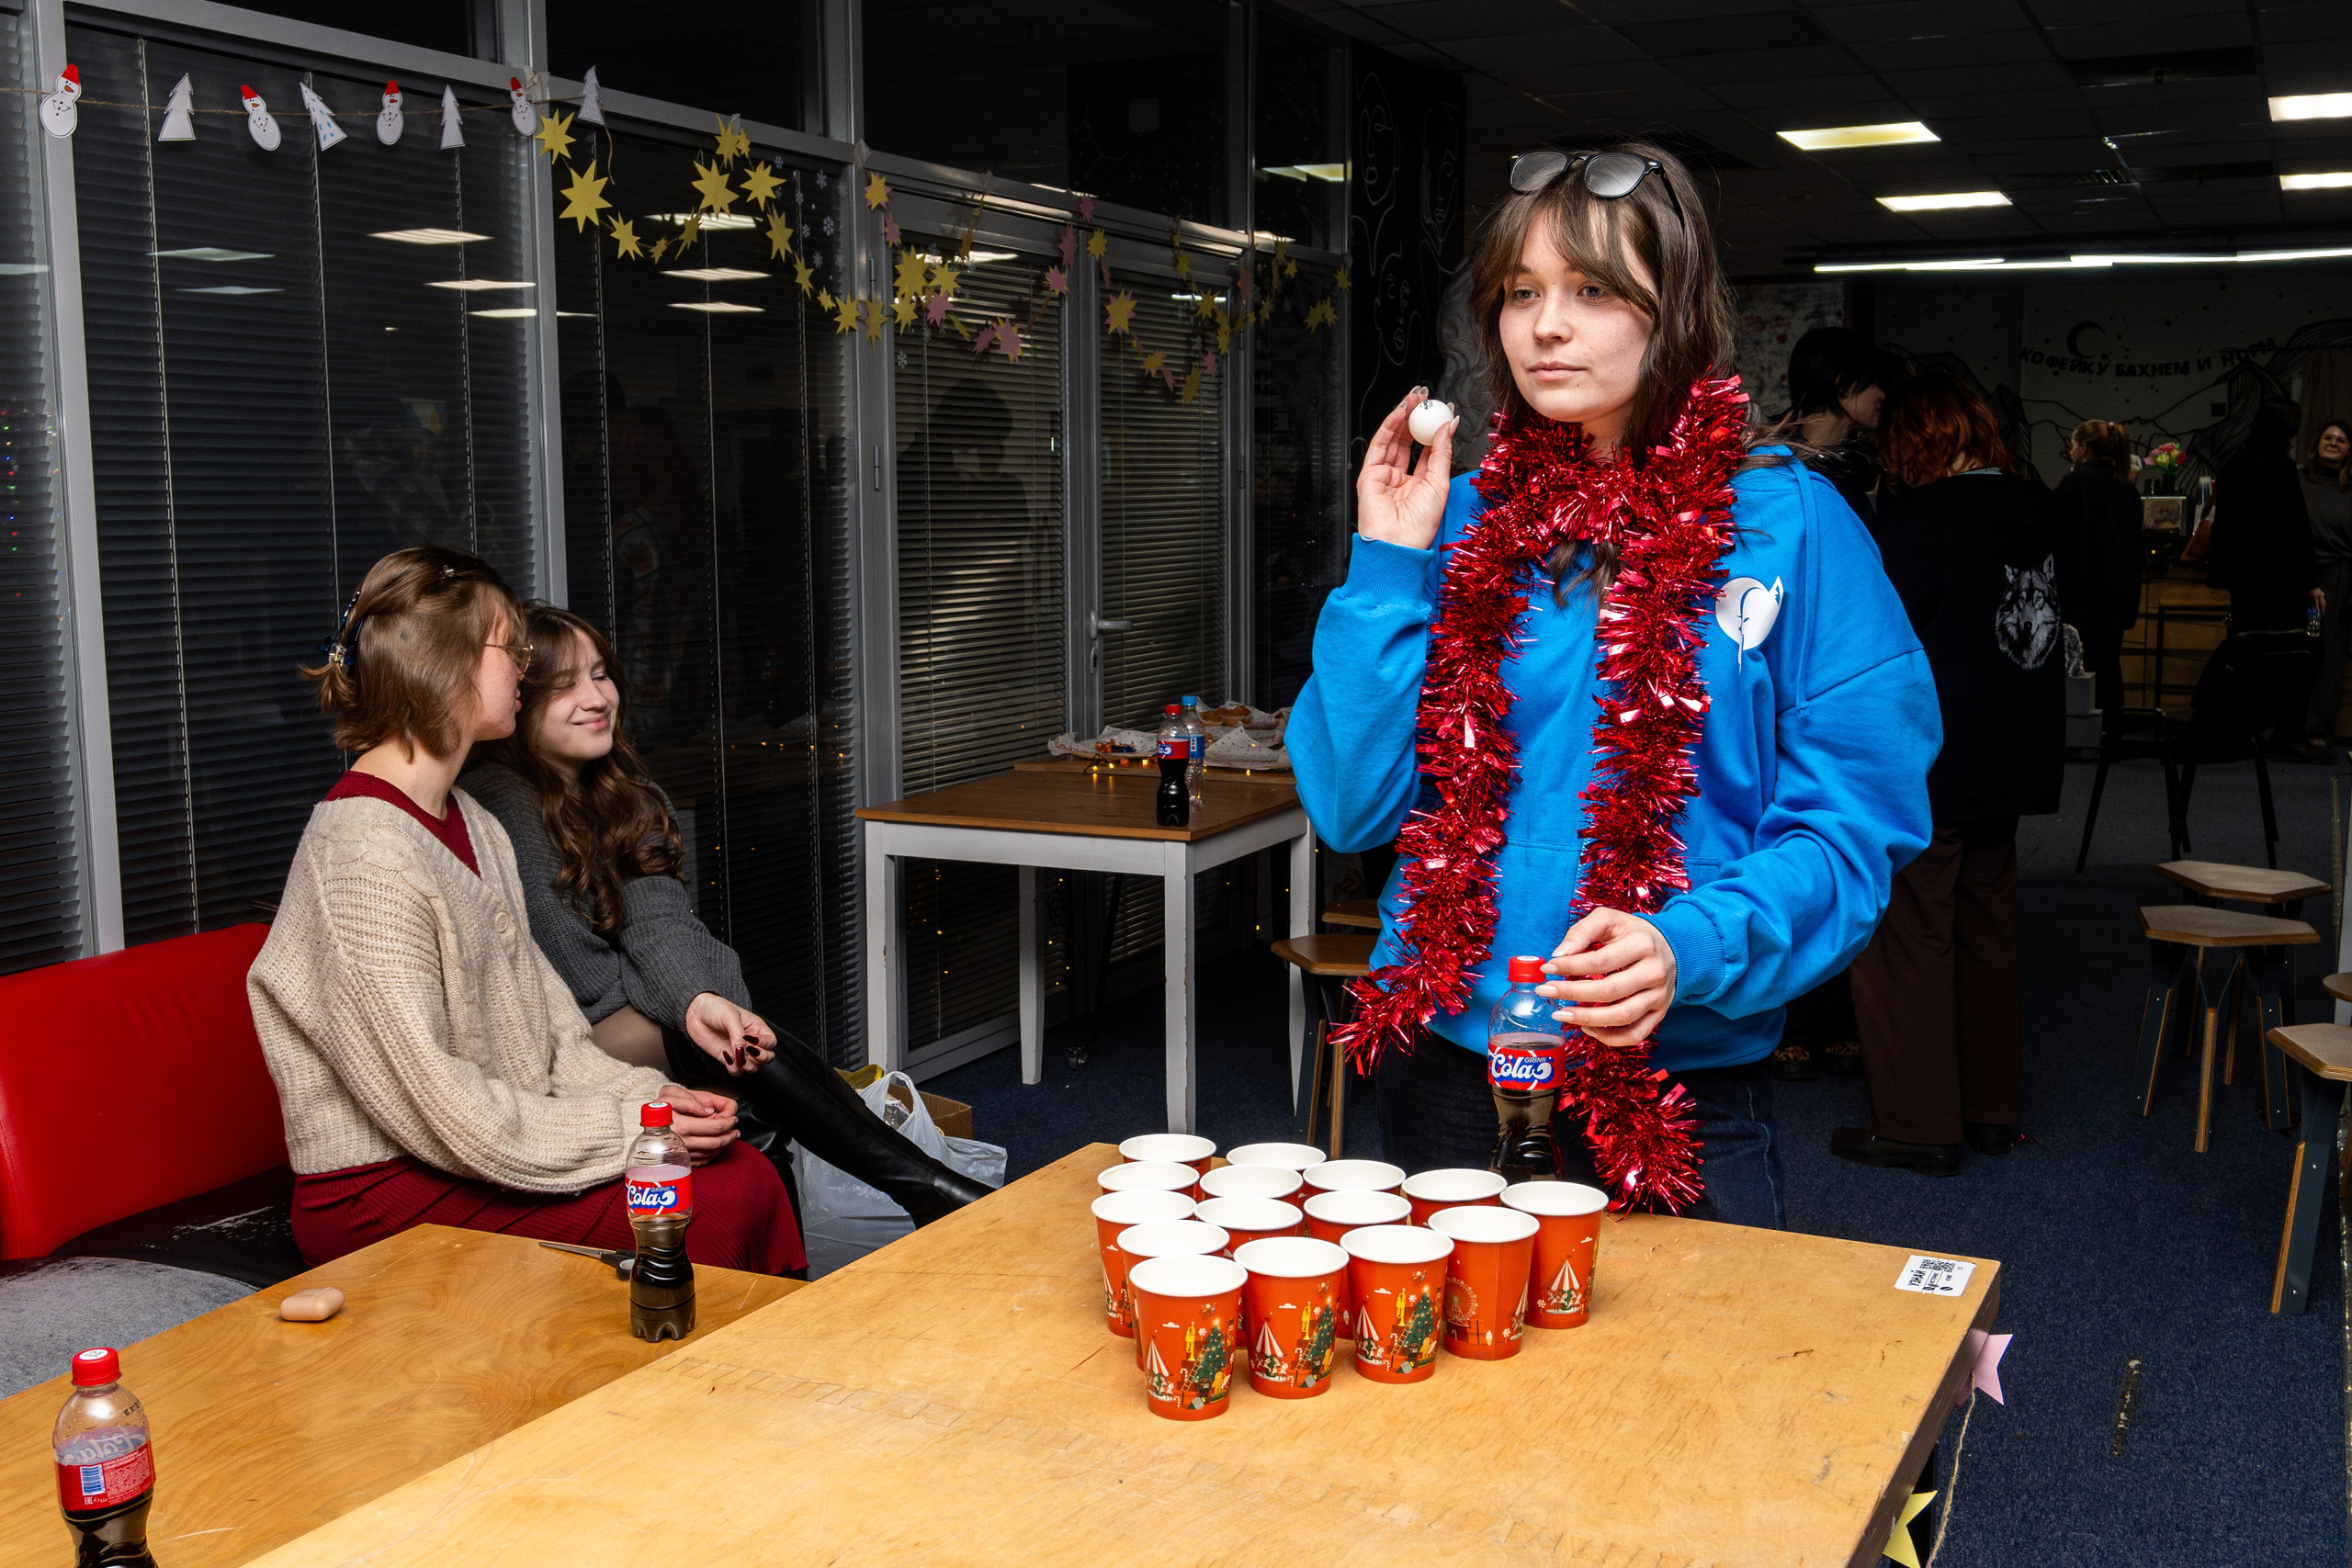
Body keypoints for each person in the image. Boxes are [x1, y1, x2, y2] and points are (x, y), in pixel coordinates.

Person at [1288, 142, 1939, 1230]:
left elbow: (1856, 825)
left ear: (1672, 308)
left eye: (1592, 291)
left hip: (1676, 1076)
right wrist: (1388, 565)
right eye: (1521, 293)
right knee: (1450, 1386)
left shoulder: (1793, 526)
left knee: (1682, 1395)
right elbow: (1353, 805)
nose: (1546, 325)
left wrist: (1694, 944)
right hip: (1452, 1059)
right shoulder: (1457, 520)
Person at [247, 547, 803, 1273]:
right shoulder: (361, 856)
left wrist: (658, 1101)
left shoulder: (471, 819)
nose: (522, 669)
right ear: (445, 667)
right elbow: (446, 1111)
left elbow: (553, 1037)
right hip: (382, 1194)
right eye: (509, 651)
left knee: (740, 1174)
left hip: (468, 1150)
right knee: (711, 1202)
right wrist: (635, 1126)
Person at [463, 602, 992, 1224]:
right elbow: (585, 980)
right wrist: (672, 1006)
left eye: (601, 673)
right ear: (521, 700)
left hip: (626, 1019)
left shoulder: (616, 792)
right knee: (721, 1054)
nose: (595, 696)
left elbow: (661, 926)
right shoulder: (502, 798)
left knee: (737, 1041)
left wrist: (695, 998)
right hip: (558, 1044)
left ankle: (917, 1191)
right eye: (566, 685)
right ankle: (925, 1184)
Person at [1836, 374, 2064, 1177]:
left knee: (1907, 940)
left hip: (1927, 766)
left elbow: (1874, 651)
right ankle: (1990, 1112)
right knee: (1987, 937)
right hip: (2013, 761)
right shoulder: (2035, 515)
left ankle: (1918, 1121)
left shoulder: (1914, 524)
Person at [2052, 419, 2145, 728]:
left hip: (2083, 592)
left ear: (2085, 448)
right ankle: (2113, 728)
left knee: (2080, 665)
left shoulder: (2075, 483)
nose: (2071, 451)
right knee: (2109, 662)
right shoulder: (2127, 487)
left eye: (2072, 445)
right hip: (2119, 593)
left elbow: (2055, 536)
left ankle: (2082, 731)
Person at [2208, 398, 2322, 637]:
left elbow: (2224, 524)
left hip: (2244, 579)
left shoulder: (2233, 465)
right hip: (2282, 579)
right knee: (2282, 653)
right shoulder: (2284, 468)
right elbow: (2298, 528)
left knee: (2248, 650)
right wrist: (2310, 581)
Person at [1776, 326, 1899, 519]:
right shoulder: (1780, 468)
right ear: (1842, 386)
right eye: (1873, 383)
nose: (1881, 394)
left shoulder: (1861, 468)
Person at [2299, 419, 2352, 751]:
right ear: (2317, 442)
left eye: (2342, 440)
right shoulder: (2298, 479)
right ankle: (2280, 727)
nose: (2332, 443)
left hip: (2338, 576)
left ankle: (2316, 728)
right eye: (2328, 437)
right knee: (2292, 651)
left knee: (2329, 654)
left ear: (2350, 450)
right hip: (2297, 574)